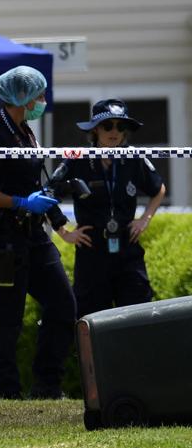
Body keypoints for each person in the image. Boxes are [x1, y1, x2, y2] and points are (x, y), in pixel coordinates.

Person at [0, 66, 76, 399]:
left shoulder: (25, 131)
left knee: (63, 305)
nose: (43, 101)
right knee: (6, 320)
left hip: (33, 235)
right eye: (39, 95)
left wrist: (57, 220)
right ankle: (8, 394)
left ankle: (47, 385)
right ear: (24, 97)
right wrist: (18, 202)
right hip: (5, 238)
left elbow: (34, 183)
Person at [56, 99, 166, 317]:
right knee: (91, 320)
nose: (114, 132)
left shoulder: (133, 157)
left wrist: (145, 219)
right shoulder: (77, 158)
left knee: (139, 316)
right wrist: (64, 232)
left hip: (127, 247)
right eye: (108, 125)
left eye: (120, 126)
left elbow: (159, 189)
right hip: (91, 251)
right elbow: (48, 194)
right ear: (96, 129)